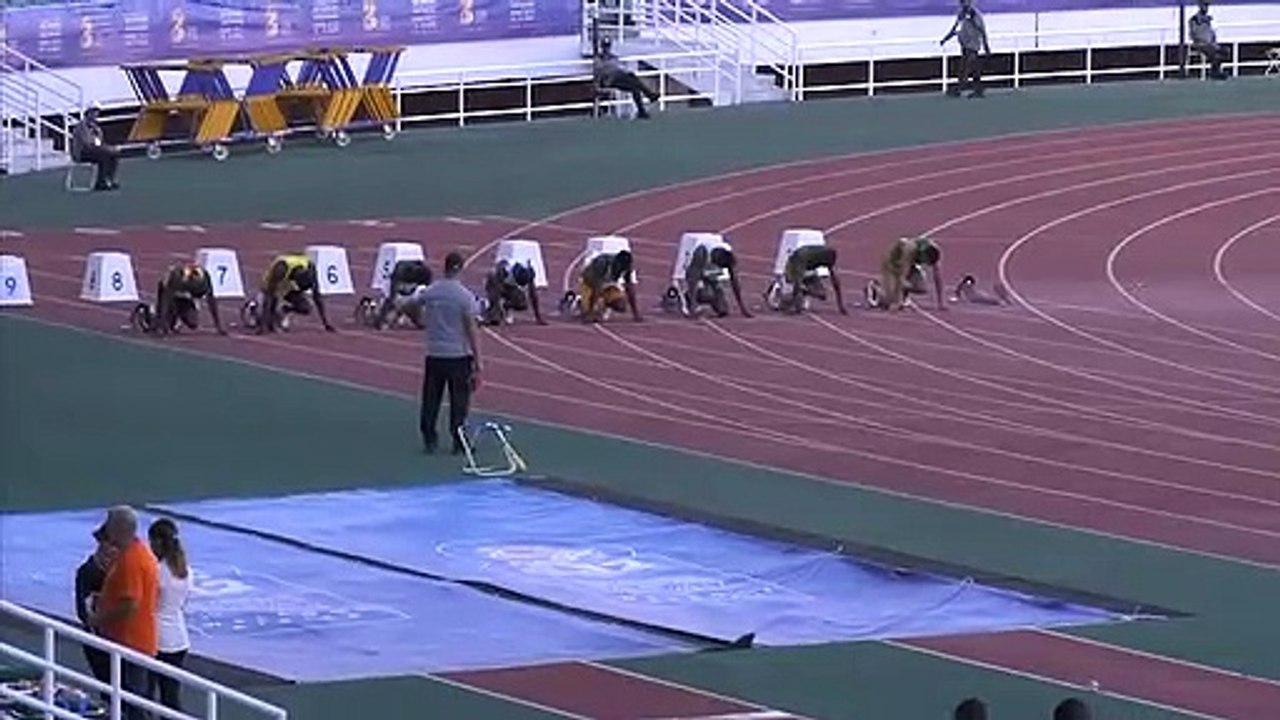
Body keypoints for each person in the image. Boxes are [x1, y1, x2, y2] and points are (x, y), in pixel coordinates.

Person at [87, 506, 159, 720]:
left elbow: (130, 604)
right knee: (132, 701)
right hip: (133, 641)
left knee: (133, 703)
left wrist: (97, 618)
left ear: (117, 529)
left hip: (131, 643)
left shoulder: (132, 561)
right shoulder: (134, 553)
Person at [411, 251, 482, 454]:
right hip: (458, 355)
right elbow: (471, 329)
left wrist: (419, 321)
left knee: (431, 399)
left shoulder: (432, 291)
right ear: (460, 268)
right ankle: (458, 440)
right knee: (459, 401)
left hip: (434, 353)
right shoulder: (465, 296)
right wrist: (478, 360)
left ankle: (429, 438)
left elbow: (411, 304)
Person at [147, 518, 191, 714]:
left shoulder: (157, 572)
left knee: (146, 694)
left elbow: (148, 603)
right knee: (171, 697)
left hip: (159, 640)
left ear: (157, 542)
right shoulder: (186, 572)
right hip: (179, 639)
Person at [74, 527, 119, 699]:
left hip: (117, 636)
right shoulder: (88, 572)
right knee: (109, 687)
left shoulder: (119, 570)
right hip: (98, 638)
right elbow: (82, 611)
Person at [257, 254, 334, 334]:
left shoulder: (310, 269)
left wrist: (326, 323)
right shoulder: (281, 268)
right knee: (271, 303)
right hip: (272, 282)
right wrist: (263, 326)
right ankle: (264, 315)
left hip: (289, 286)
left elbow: (317, 297)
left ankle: (284, 310)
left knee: (306, 307)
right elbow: (270, 295)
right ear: (296, 278)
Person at [594, 36, 661, 119]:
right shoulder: (599, 59)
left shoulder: (613, 57)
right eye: (605, 46)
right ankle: (649, 96)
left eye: (608, 46)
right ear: (602, 47)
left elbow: (620, 68)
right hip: (609, 81)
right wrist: (597, 85)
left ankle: (642, 110)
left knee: (634, 84)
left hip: (619, 77)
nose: (606, 49)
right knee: (633, 82)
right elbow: (599, 73)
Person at [151, 263, 226, 336]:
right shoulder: (177, 278)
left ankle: (178, 316)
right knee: (165, 322)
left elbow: (211, 301)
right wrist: (162, 322)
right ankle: (153, 314)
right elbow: (166, 300)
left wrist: (218, 325)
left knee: (193, 323)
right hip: (168, 292)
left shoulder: (205, 280)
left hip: (186, 298)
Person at [873, 236, 945, 311]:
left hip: (910, 265)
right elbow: (902, 277)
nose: (925, 264)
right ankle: (875, 288)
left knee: (921, 288)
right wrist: (898, 302)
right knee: (888, 301)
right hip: (892, 263)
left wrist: (941, 302)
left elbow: (938, 278)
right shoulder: (910, 249)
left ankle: (900, 295)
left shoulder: (935, 252)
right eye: (926, 262)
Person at [682, 245, 752, 318]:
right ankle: (688, 297)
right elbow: (692, 280)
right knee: (707, 294)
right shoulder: (701, 253)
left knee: (723, 310)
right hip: (695, 272)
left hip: (710, 275)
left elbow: (734, 281)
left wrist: (742, 307)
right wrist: (693, 304)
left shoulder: (729, 256)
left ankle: (711, 296)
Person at [941, 0, 991, 98]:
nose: (965, 4)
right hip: (964, 44)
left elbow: (982, 30)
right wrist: (946, 38)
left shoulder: (975, 15)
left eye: (967, 2)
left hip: (973, 45)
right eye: (963, 2)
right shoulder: (961, 14)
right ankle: (978, 90)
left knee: (966, 67)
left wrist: (986, 46)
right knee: (973, 68)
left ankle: (959, 89)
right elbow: (955, 28)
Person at [778, 245, 847, 315]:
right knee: (797, 288)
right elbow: (798, 281)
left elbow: (835, 282)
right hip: (793, 268)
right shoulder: (803, 256)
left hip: (808, 271)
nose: (825, 266)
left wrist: (840, 305)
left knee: (822, 294)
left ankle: (803, 291)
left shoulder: (827, 257)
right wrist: (795, 305)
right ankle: (792, 296)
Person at [579, 250, 642, 323]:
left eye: (624, 268)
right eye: (621, 267)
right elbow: (596, 289)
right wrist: (590, 313)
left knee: (621, 306)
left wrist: (635, 313)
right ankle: (579, 301)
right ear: (616, 262)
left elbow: (629, 288)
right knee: (586, 312)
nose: (621, 270)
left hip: (607, 285)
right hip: (589, 284)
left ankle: (603, 305)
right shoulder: (602, 263)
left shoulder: (627, 267)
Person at [70, 107, 120, 191]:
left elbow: (100, 141)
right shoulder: (81, 127)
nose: (95, 114)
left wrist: (107, 147)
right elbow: (87, 143)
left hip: (94, 150)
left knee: (114, 154)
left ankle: (109, 179)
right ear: (88, 113)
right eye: (93, 112)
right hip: (82, 153)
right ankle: (101, 182)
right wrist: (100, 145)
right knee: (104, 155)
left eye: (96, 112)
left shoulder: (96, 127)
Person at [374, 258, 432, 330]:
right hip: (401, 302)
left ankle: (411, 317)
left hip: (409, 302)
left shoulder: (424, 274)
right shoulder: (401, 273)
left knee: (423, 323)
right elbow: (391, 297)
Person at [482, 259, 545, 326]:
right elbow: (496, 294)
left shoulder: (528, 275)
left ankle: (506, 306)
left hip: (511, 286)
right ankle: (486, 306)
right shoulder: (502, 271)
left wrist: (538, 317)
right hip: (494, 283)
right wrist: (495, 310)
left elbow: (533, 296)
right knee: (495, 319)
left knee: (522, 304)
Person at [1189, 0, 1229, 80]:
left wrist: (1214, 42)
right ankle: (1215, 73)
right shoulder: (1194, 19)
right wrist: (1200, 41)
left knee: (1225, 51)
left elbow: (1212, 33)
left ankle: (1216, 71)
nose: (1206, 8)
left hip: (1210, 43)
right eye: (1204, 6)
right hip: (1200, 43)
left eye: (1207, 6)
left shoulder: (1209, 19)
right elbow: (1193, 34)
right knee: (1214, 52)